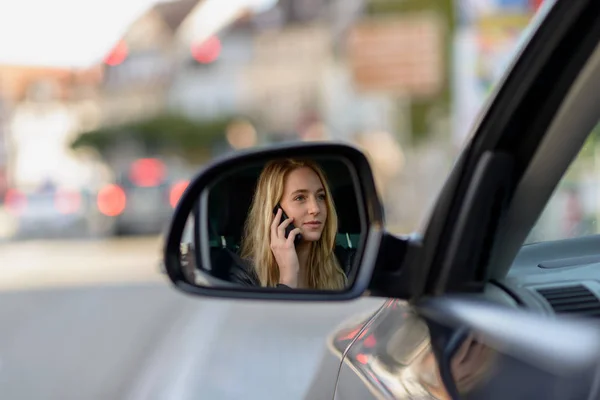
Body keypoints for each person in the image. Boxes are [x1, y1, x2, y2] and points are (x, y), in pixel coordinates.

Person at [231, 158, 354, 290]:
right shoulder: (245, 275)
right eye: (300, 197)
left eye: (321, 196)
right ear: (274, 211)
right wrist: (287, 276)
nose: (316, 209)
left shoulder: (348, 264)